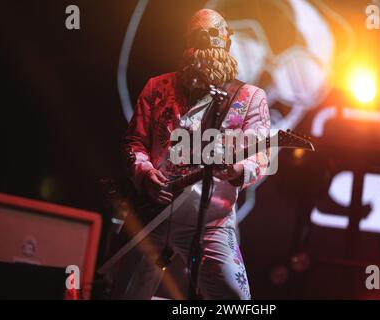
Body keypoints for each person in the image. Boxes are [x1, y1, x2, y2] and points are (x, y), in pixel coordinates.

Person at [111, 8, 270, 300]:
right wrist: (145, 174)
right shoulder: (157, 87)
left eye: (214, 38)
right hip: (152, 214)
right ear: (187, 43)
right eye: (199, 38)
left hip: (211, 222)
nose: (207, 47)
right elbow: (133, 142)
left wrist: (239, 170)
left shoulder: (249, 99)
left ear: (226, 43)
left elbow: (261, 156)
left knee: (235, 301)